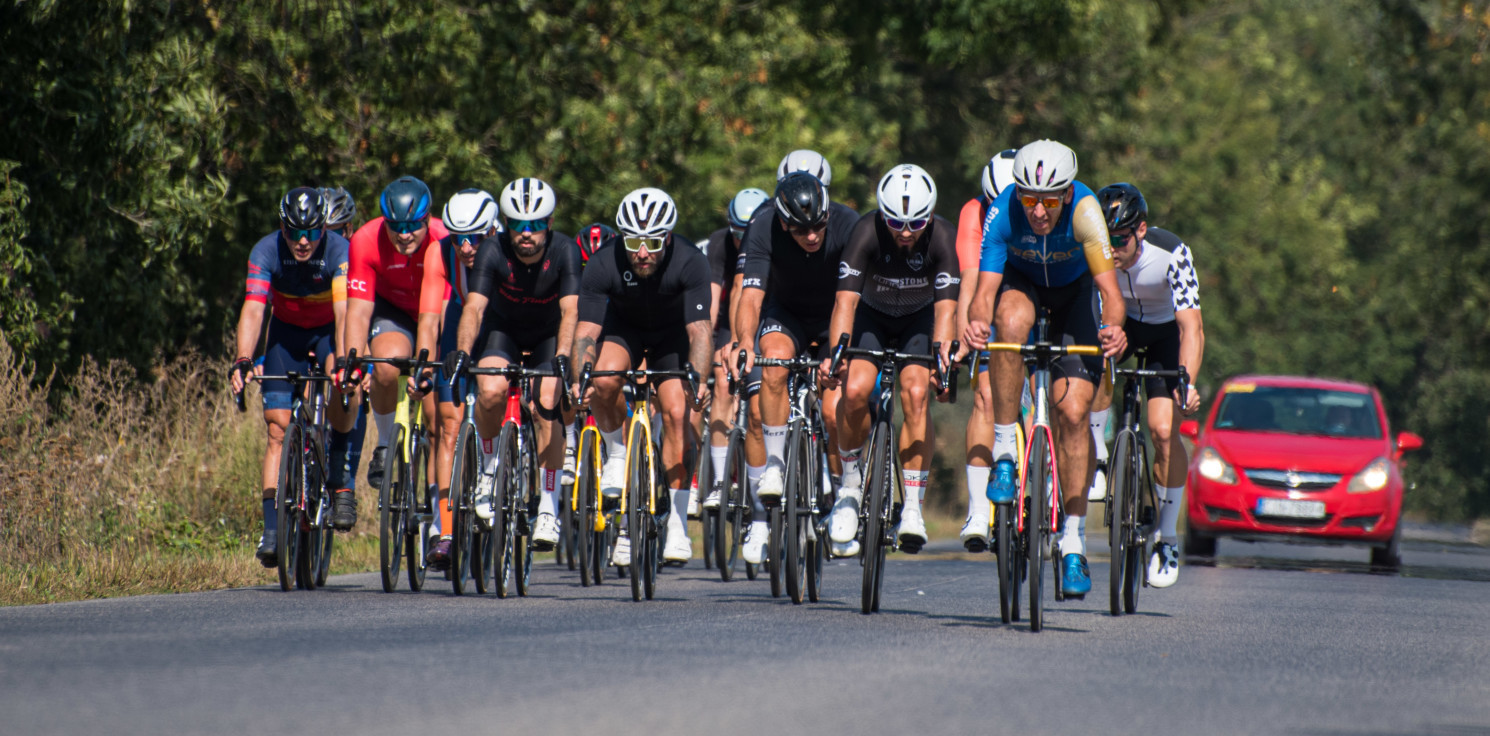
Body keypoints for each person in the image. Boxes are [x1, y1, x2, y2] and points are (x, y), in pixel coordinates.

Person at [963, 140, 1127, 598]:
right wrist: (977, 322)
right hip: (1022, 286)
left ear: (1068, 194)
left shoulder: (1086, 213)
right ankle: (1004, 455)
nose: (1038, 210)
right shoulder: (1003, 211)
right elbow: (984, 289)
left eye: (1050, 199)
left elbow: (1110, 296)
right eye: (1029, 198)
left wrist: (1114, 329)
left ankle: (1072, 540)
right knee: (1008, 322)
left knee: (1074, 414)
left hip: (1074, 296)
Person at [571, 188, 713, 565]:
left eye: (652, 241)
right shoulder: (603, 263)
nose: (642, 252)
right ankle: (618, 450)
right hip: (626, 331)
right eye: (633, 241)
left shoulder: (691, 261)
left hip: (672, 336)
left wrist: (697, 381)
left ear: (667, 236)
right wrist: (577, 378)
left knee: (677, 413)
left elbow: (700, 332)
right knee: (602, 379)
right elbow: (585, 332)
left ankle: (678, 524)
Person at [825, 164, 960, 555]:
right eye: (895, 222)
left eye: (916, 223)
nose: (904, 232)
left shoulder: (943, 238)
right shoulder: (865, 231)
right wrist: (837, 357)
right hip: (872, 316)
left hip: (920, 319)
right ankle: (850, 487)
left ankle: (913, 507)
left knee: (916, 394)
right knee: (854, 391)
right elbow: (844, 302)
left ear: (930, 215)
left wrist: (944, 365)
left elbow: (948, 313)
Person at [440, 178, 577, 557]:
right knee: (489, 390)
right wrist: (463, 351)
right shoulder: (491, 251)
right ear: (506, 224)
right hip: (505, 334)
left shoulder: (565, 250)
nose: (526, 233)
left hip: (550, 335)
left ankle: (548, 505)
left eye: (535, 224)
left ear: (549, 223)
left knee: (547, 399)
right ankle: (487, 469)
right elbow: (474, 307)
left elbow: (570, 311)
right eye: (518, 224)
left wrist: (564, 356)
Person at [731, 171, 858, 562]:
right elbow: (750, 298)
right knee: (773, 366)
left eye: (819, 225)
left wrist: (837, 354)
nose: (814, 236)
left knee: (836, 411)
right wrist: (743, 344)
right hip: (785, 314)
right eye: (802, 231)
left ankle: (842, 499)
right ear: (784, 222)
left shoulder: (847, 223)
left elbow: (851, 299)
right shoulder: (763, 226)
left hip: (834, 314)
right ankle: (773, 464)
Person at [230, 187, 358, 567]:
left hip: (325, 335)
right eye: (294, 232)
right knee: (276, 430)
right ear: (281, 227)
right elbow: (254, 309)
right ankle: (272, 530)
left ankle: (337, 464)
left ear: (324, 230)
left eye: (312, 233)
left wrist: (345, 363)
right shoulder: (266, 250)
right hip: (285, 335)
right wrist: (243, 359)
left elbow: (343, 310)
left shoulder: (339, 251)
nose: (303, 241)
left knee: (344, 384)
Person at [1088, 181, 1203, 588]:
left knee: (1163, 430)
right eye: (1105, 239)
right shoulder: (1095, 253)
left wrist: (1186, 381)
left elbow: (1192, 328)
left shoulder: (1172, 253)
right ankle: (1098, 454)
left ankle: (1167, 537)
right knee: (1099, 359)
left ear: (1140, 230)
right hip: (1121, 325)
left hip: (1163, 334)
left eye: (1119, 239)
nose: (1112, 249)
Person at [344, 176, 450, 525]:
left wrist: (428, 368)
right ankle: (386, 442)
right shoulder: (364, 241)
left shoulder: (444, 239)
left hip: (436, 314)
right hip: (393, 313)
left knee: (437, 421)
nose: (405, 235)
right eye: (396, 227)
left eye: (413, 227)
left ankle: (440, 515)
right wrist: (353, 362)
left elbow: (434, 320)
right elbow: (358, 311)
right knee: (387, 366)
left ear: (428, 220)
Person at [412, 188, 501, 565]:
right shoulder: (439, 250)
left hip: (499, 326)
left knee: (496, 396)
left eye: (475, 238)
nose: (466, 247)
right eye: (458, 238)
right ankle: (446, 529)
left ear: (493, 232)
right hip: (458, 328)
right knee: (448, 424)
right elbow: (430, 317)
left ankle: (501, 468)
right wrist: (423, 364)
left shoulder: (506, 250)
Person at [693, 187, 770, 516]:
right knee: (723, 380)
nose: (743, 240)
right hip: (730, 320)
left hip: (769, 318)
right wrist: (707, 349)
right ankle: (721, 481)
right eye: (738, 233)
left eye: (748, 233)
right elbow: (712, 305)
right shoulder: (719, 244)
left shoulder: (769, 237)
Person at [955, 149, 1016, 551]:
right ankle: (978, 509)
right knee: (986, 395)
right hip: (989, 296)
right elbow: (970, 281)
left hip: (1032, 293)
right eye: (991, 203)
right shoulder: (973, 213)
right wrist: (964, 335)